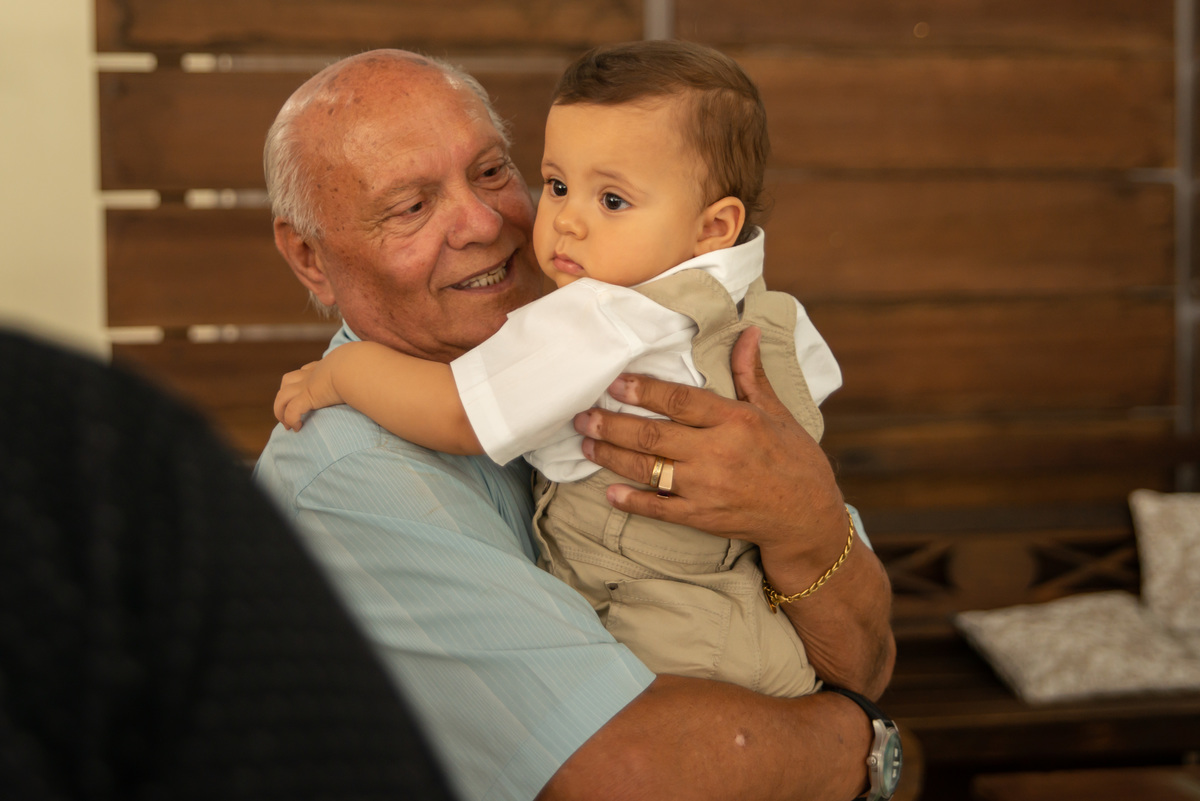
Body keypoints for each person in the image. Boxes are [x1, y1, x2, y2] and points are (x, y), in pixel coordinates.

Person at [253, 46, 895, 801]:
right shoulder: (351, 478)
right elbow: (624, 773)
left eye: (493, 172)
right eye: (412, 207)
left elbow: (865, 661)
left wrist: (807, 524)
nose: (484, 221)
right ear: (309, 259)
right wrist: (866, 748)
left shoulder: (659, 357)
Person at [0, 329, 457, 801]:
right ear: (307, 261)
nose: (479, 246)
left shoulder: (81, 444)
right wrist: (349, 370)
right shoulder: (349, 460)